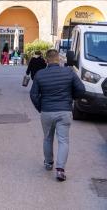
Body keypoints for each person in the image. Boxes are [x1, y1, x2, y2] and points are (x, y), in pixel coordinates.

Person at [30, 49, 85, 182]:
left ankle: (49, 163)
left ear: (46, 61)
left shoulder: (40, 74)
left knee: (47, 138)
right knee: (63, 140)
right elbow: (81, 90)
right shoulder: (69, 72)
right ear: (59, 59)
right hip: (64, 112)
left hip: (47, 112)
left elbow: (33, 95)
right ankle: (60, 170)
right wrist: (71, 98)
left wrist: (41, 108)